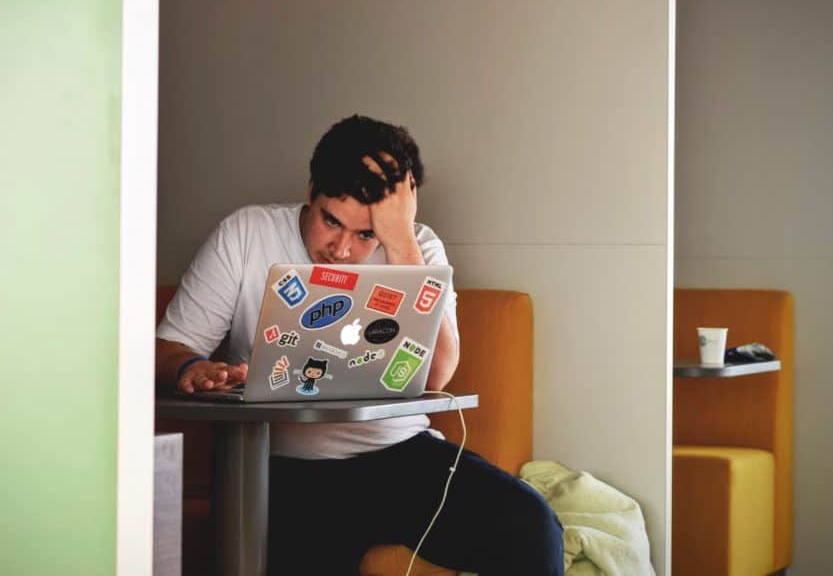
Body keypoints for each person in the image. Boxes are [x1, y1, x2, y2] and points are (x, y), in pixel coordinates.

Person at [154, 115, 564, 575]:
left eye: (366, 233)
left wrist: (400, 243)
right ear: (311, 191)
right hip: (284, 468)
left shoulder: (418, 248)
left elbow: (436, 374)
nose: (342, 248)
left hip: (400, 457)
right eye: (332, 221)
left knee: (532, 526)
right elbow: (168, 348)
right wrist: (191, 367)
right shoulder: (246, 234)